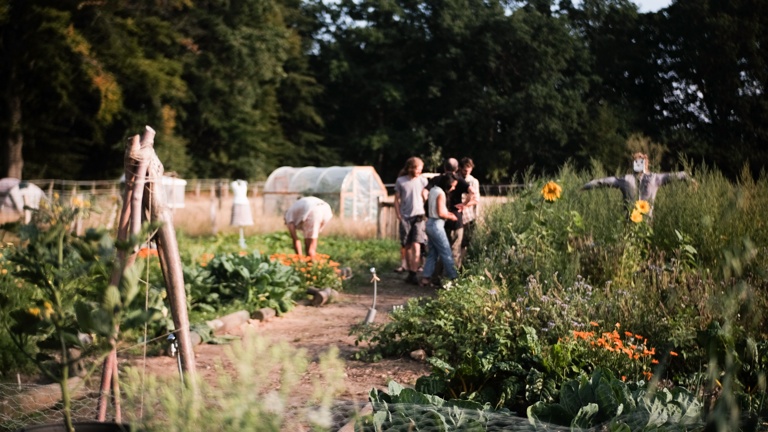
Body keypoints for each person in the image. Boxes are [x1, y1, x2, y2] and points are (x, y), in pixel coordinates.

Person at [582, 152, 695, 217]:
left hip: (641, 221)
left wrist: (690, 181)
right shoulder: (628, 179)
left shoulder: (652, 178)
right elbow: (602, 182)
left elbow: (601, 182)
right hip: (633, 220)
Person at [426, 158, 476, 269]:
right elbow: (472, 192)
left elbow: (424, 193)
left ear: (444, 167)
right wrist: (465, 204)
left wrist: (427, 208)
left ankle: (436, 278)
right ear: (457, 168)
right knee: (455, 251)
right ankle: (453, 279)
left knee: (439, 250)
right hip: (455, 218)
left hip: (439, 219)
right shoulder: (459, 180)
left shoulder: (436, 179)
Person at [420, 173, 460, 287]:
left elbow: (435, 209)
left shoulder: (433, 190)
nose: (453, 188)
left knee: (432, 253)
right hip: (437, 225)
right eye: (453, 185)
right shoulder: (441, 193)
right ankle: (454, 278)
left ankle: (426, 278)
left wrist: (448, 213)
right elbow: (441, 213)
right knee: (446, 252)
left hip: (430, 223)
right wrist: (451, 216)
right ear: (447, 184)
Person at [394, 157, 428, 285]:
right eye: (417, 169)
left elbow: (427, 198)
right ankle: (410, 272)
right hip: (406, 217)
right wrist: (399, 215)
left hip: (419, 216)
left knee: (417, 244)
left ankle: (414, 271)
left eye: (420, 169)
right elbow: (396, 200)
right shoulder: (401, 181)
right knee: (407, 245)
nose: (418, 171)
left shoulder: (423, 181)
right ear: (410, 168)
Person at [457, 157, 480, 266]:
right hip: (456, 214)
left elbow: (476, 200)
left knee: (465, 243)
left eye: (469, 169)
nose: (467, 171)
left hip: (468, 215)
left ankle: (461, 265)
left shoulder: (473, 181)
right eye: (465, 169)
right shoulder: (455, 178)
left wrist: (464, 205)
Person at [230, 179, 254, 248]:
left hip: (245, 204)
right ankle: (241, 241)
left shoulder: (244, 184)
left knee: (244, 222)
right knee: (238, 222)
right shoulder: (234, 184)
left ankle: (243, 241)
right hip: (237, 203)